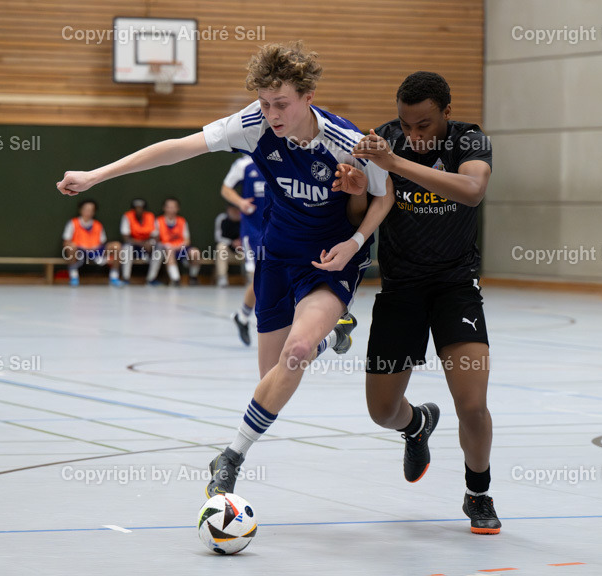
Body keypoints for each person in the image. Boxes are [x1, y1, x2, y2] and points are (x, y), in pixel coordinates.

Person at [57, 42, 392, 498]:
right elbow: (177, 148)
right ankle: (332, 335)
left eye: (282, 104)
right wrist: (97, 175)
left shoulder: (344, 140)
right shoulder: (253, 125)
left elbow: (384, 193)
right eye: (265, 103)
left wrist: (354, 245)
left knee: (295, 351)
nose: (272, 113)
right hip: (275, 258)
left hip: (327, 262)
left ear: (308, 97)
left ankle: (231, 455)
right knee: (271, 379)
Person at [353, 71, 500, 534]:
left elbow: (473, 191)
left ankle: (478, 493)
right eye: (407, 124)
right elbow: (362, 212)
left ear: (447, 115)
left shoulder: (469, 142)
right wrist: (355, 188)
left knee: (472, 404)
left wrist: (395, 162)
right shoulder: (384, 141)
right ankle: (416, 425)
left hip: (455, 286)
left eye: (425, 125)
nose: (414, 134)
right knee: (381, 411)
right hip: (401, 288)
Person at [220, 154, 268, 345]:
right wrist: (240, 203)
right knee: (259, 277)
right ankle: (244, 316)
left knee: (277, 276)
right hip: (253, 230)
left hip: (276, 227)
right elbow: (225, 188)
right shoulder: (244, 164)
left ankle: (242, 316)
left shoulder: (279, 157)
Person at [62, 199, 123, 286]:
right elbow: (66, 241)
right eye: (86, 209)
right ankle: (74, 276)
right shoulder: (73, 223)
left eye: (91, 210)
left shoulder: (98, 225)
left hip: (96, 251)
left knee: (117, 246)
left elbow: (102, 242)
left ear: (94, 212)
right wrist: (75, 247)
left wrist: (98, 252)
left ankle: (114, 277)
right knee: (70, 246)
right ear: (81, 210)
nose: (88, 212)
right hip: (80, 251)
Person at [148, 197, 202, 286]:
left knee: (195, 252)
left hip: (180, 248)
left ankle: (193, 277)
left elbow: (187, 240)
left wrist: (178, 247)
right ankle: (176, 280)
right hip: (165, 249)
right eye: (169, 207)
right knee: (169, 252)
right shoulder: (158, 221)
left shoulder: (182, 221)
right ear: (164, 208)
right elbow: (155, 240)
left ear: (178, 208)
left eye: (173, 207)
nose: (171, 209)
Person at [120, 198, 156, 283]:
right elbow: (125, 237)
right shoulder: (127, 216)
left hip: (148, 245)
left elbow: (156, 236)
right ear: (133, 209)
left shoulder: (150, 216)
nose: (139, 210)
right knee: (126, 248)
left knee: (158, 248)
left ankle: (151, 279)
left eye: (141, 208)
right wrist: (141, 244)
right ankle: (126, 278)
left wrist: (148, 243)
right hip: (133, 245)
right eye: (136, 208)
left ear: (144, 209)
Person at [213, 203, 242, 288]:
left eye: (237, 208)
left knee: (253, 248)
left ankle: (252, 279)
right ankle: (222, 278)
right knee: (220, 247)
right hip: (228, 252)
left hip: (243, 251)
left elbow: (252, 235)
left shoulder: (246, 218)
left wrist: (242, 243)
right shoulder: (221, 218)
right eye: (232, 209)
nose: (235, 211)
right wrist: (232, 242)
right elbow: (218, 237)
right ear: (228, 209)